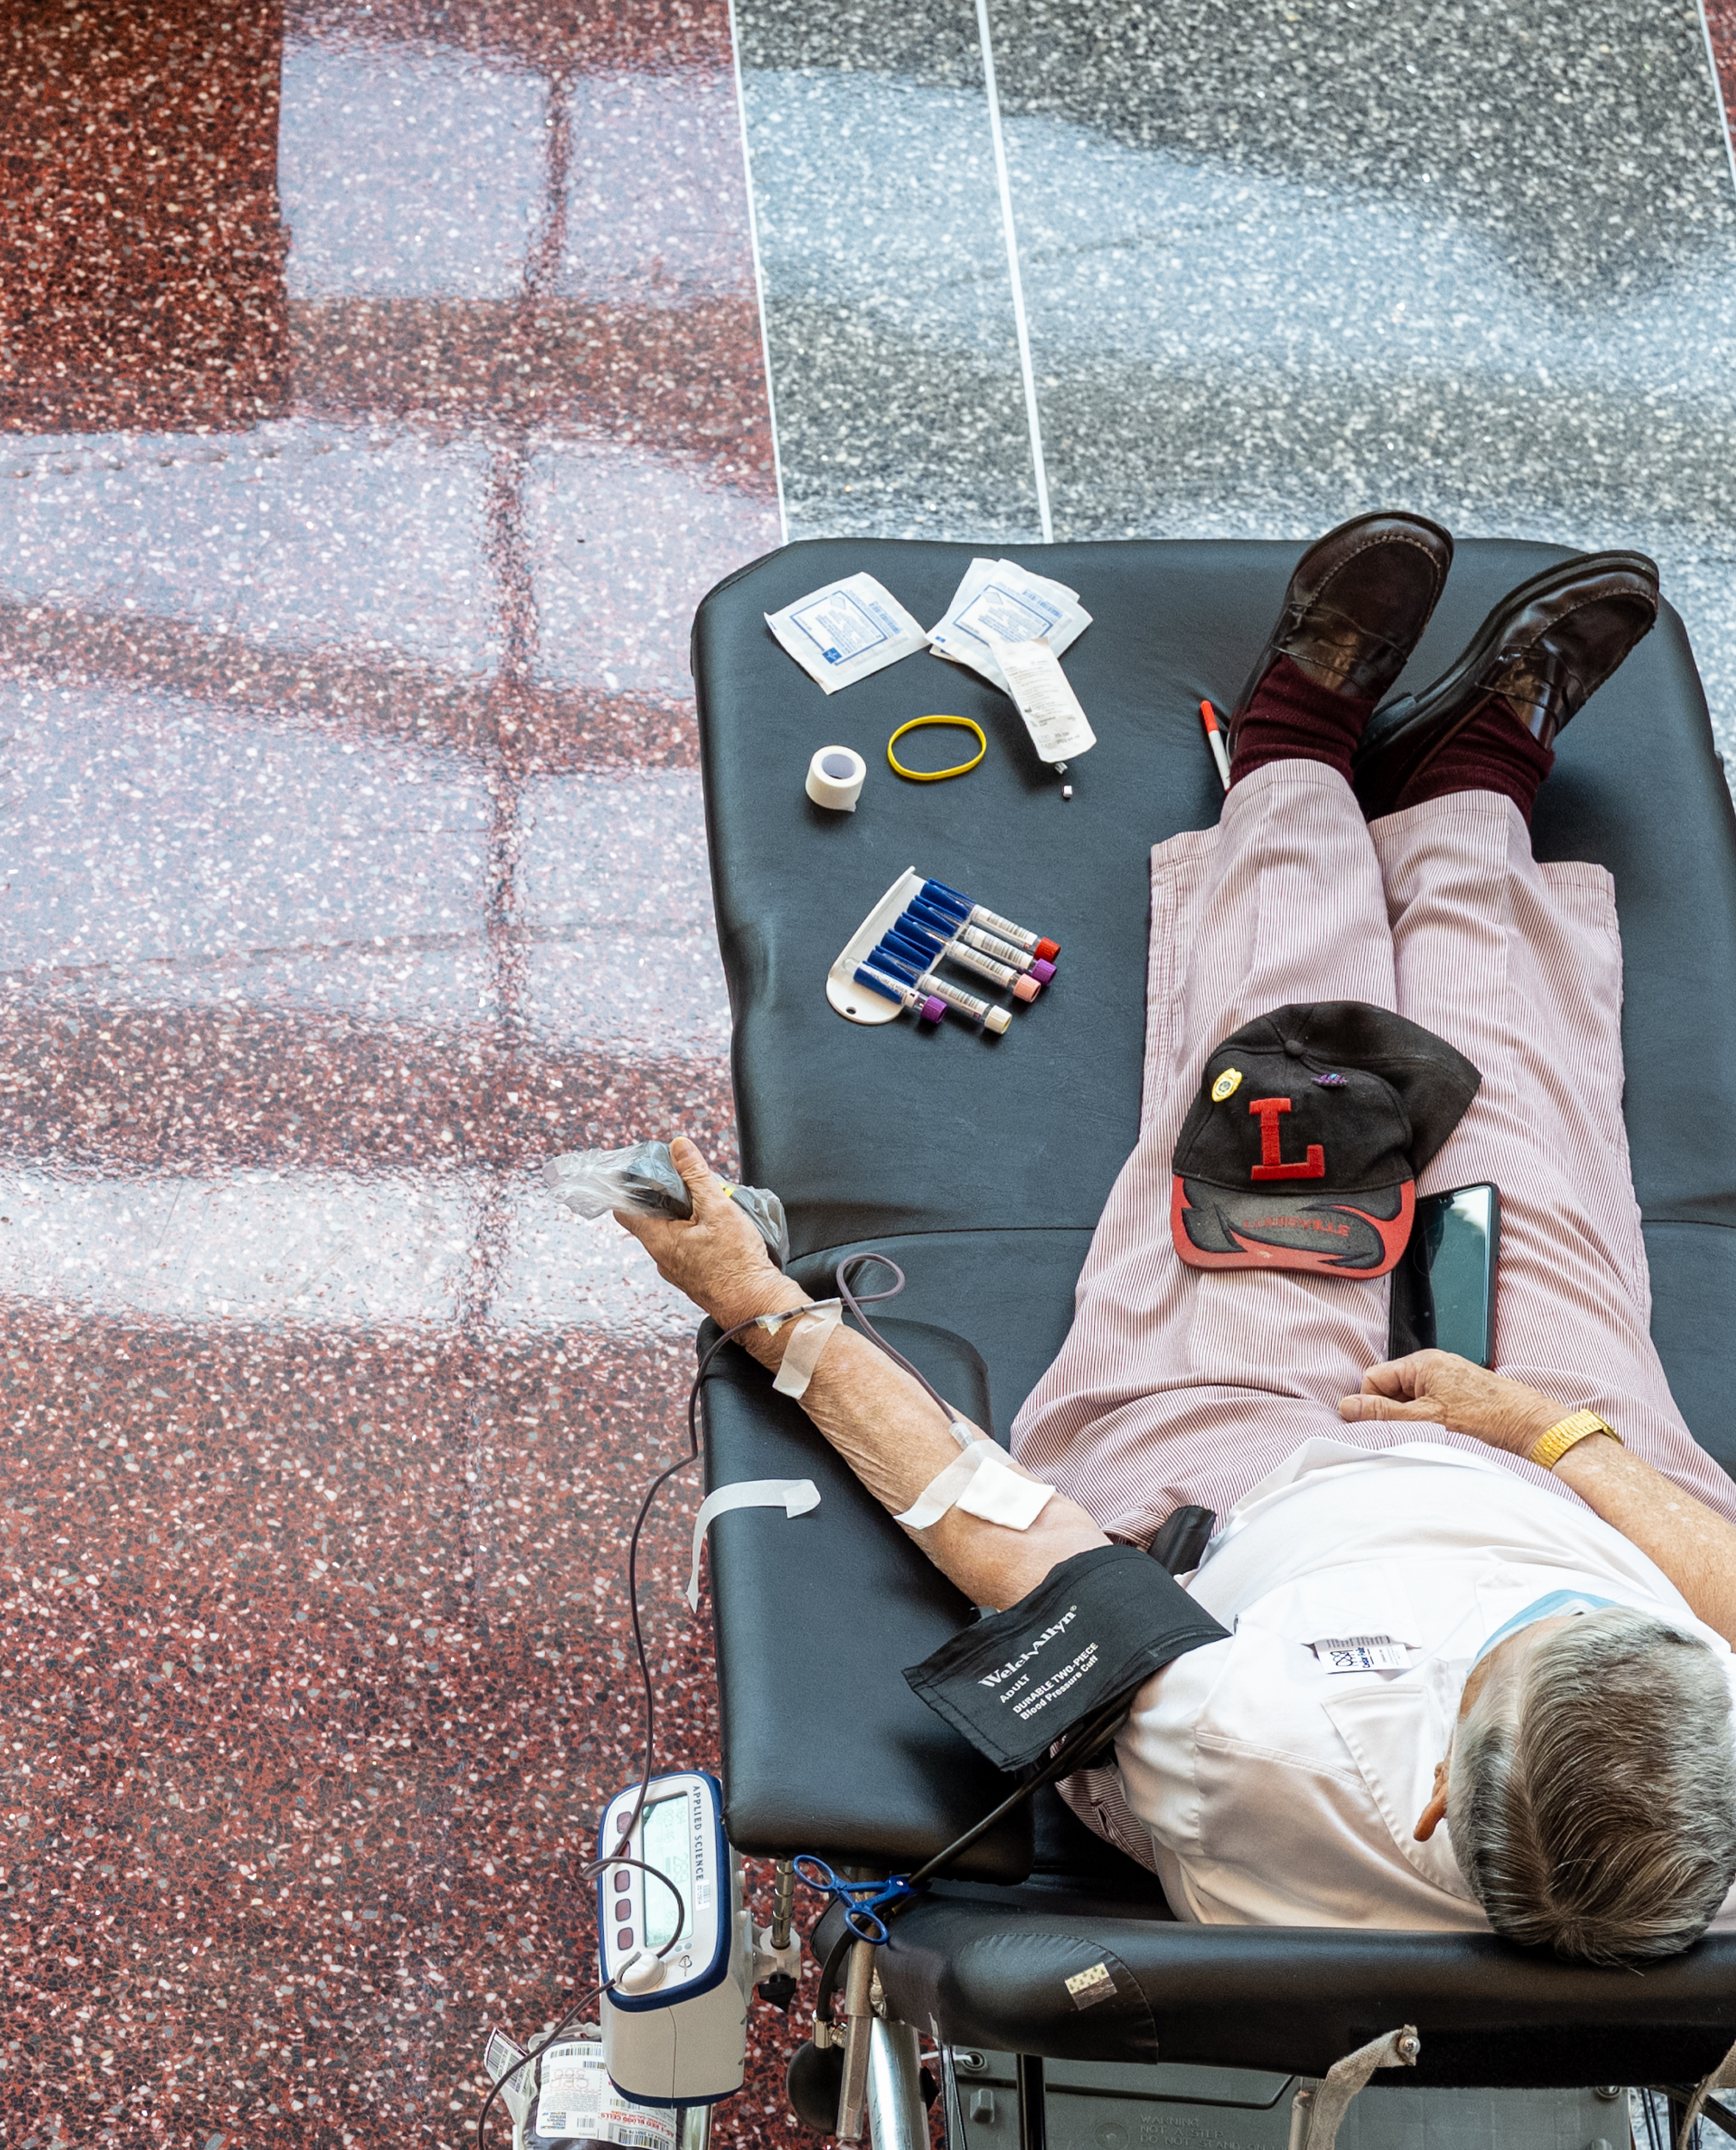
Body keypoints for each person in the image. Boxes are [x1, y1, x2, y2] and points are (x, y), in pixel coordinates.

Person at [625, 512, 1736, 1963]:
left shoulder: (1241, 1748)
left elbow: (1001, 1533)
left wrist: (759, 1304)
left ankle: (1290, 756)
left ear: (1421, 1807)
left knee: (1286, 1100)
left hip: (1248, 1479)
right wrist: (1541, 1439)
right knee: (1527, 1124)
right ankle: (1468, 793)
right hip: (1561, 1471)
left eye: (1504, 1639)